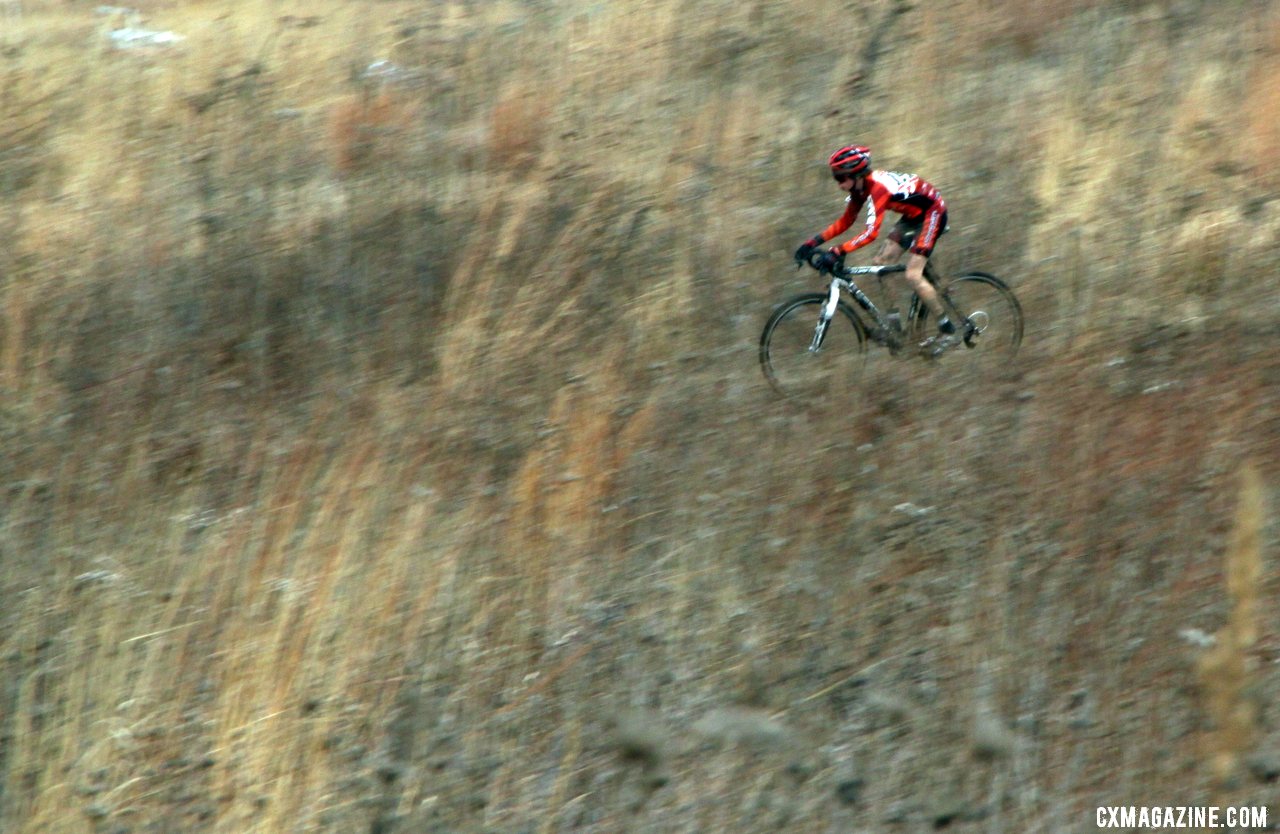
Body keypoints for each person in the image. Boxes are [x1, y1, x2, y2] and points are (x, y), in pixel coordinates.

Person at [794, 145, 963, 354]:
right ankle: (895, 330)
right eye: (835, 178)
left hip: (932, 212)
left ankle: (948, 330)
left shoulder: (877, 188)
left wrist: (838, 250)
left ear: (856, 175)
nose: (839, 184)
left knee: (912, 275)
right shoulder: (859, 188)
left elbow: (871, 233)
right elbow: (846, 221)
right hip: (913, 216)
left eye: (841, 178)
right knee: (881, 265)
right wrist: (812, 242)